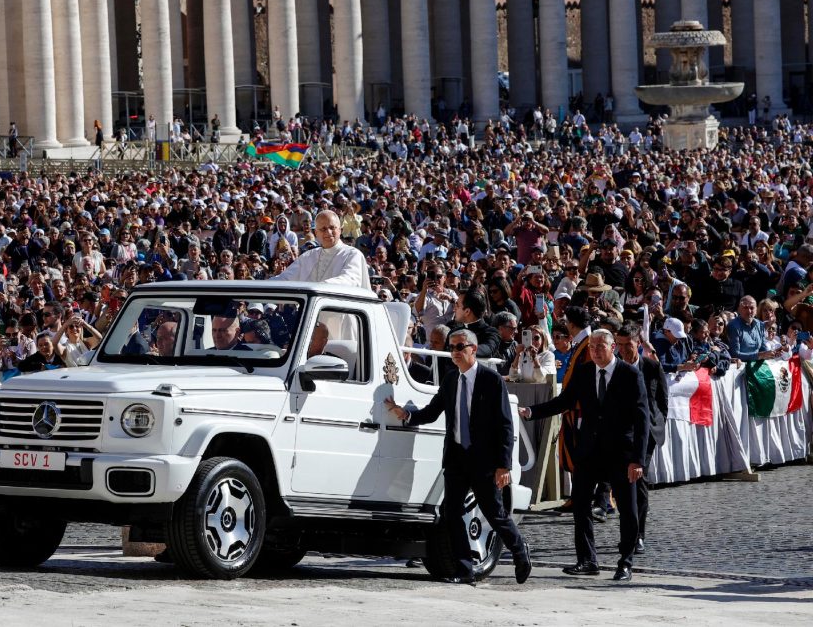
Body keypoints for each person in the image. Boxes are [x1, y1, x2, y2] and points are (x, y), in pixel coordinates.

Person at [385, 328, 532, 585]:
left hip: (484, 461)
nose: (454, 352)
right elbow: (433, 411)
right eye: (451, 347)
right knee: (451, 513)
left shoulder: (491, 380)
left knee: (495, 513)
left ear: (473, 349)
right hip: (456, 458)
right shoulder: (451, 379)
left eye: (459, 347)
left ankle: (520, 552)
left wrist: (504, 465)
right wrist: (407, 415)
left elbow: (505, 425)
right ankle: (465, 569)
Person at [519, 330, 649, 582]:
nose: (595, 351)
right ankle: (587, 560)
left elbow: (641, 419)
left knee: (628, 509)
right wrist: (532, 412)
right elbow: (564, 401)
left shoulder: (630, 374)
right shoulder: (584, 372)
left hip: (621, 453)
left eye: (601, 346)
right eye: (592, 347)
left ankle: (625, 561)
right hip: (589, 450)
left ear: (613, 347)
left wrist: (638, 460)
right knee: (580, 505)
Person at [614, 324, 667, 555]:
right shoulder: (614, 368)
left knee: (639, 480)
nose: (623, 350)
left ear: (638, 344)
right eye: (619, 345)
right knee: (622, 484)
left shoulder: (652, 367)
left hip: (647, 433)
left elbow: (662, 399)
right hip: (621, 432)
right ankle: (627, 531)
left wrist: (657, 425)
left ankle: (638, 535)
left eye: (628, 345)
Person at [271, 210, 371, 289]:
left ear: (340, 230)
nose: (328, 232)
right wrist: (263, 285)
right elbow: (285, 278)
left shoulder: (352, 254)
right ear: (316, 233)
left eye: (332, 228)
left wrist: (319, 287)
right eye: (323, 229)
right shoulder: (309, 256)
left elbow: (350, 280)